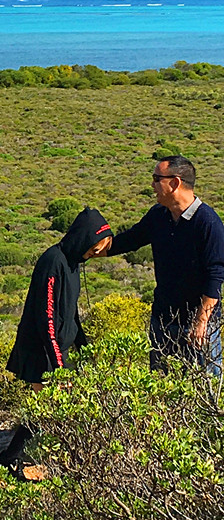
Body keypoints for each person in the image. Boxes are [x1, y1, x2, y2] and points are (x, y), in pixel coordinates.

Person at [0, 206, 113, 476]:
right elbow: (46, 315)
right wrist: (58, 364)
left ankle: (13, 458)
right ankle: (13, 459)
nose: (94, 255)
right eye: (93, 249)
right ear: (83, 238)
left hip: (59, 350)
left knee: (51, 409)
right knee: (47, 408)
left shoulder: (72, 263)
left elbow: (70, 311)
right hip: (43, 351)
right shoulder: (53, 261)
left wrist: (84, 346)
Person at [108, 155, 224, 374]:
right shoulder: (158, 216)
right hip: (163, 322)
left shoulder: (208, 223)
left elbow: (215, 275)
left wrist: (201, 322)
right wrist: (91, 248)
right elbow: (129, 240)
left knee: (202, 391)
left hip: (197, 327)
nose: (152, 185)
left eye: (156, 178)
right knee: (161, 390)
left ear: (175, 183)